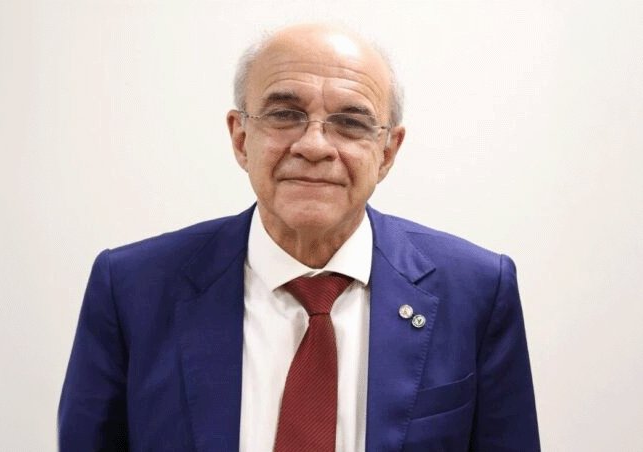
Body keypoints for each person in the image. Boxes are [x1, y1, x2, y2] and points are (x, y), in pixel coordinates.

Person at [58, 23, 541, 452]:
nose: (313, 146)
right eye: (285, 115)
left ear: (387, 152)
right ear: (240, 138)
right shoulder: (131, 289)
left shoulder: (477, 291)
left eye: (350, 123)